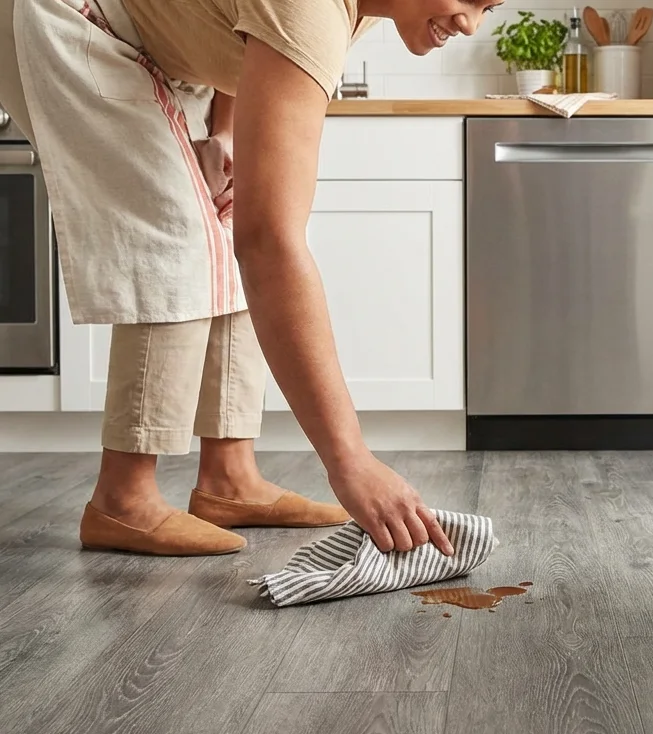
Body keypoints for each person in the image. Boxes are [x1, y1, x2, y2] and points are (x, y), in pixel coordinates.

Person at [0, 0, 505, 557]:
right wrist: (351, 462)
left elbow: (247, 45)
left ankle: (229, 479)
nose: (471, 23)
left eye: (490, 6)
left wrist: (227, 132)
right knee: (184, 232)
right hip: (71, 20)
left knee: (229, 214)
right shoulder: (312, 10)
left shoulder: (356, 9)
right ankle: (122, 498)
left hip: (156, 47)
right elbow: (271, 248)